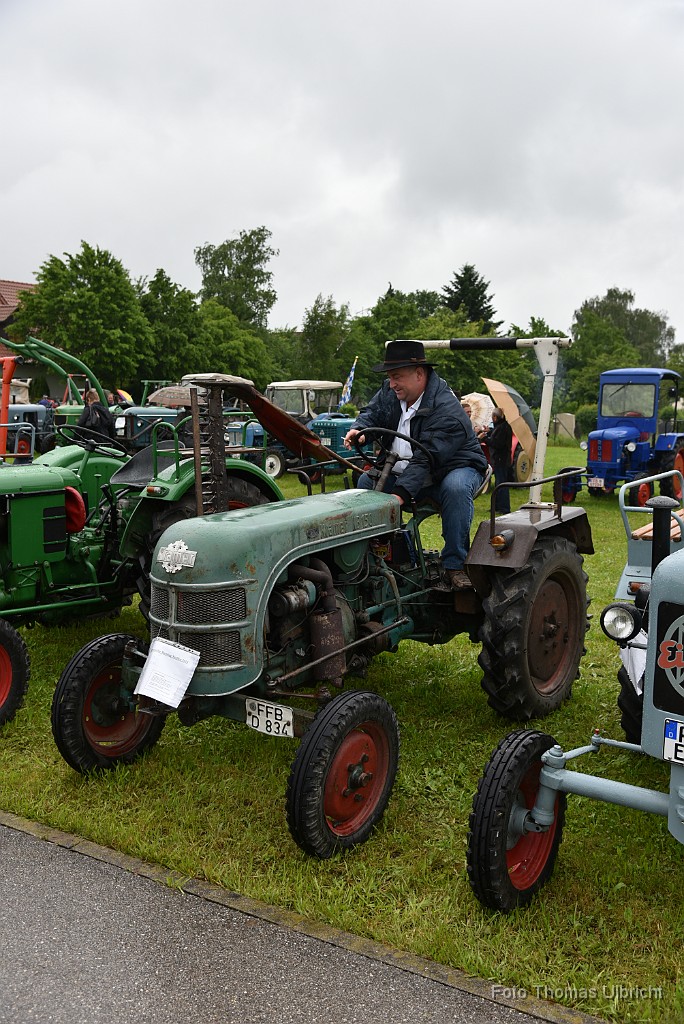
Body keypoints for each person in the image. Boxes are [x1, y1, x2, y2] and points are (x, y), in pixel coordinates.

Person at [343, 340, 487, 590]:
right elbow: (372, 412)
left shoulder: (447, 409)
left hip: (451, 467)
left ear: (419, 374)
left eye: (397, 376)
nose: (392, 383)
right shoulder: (391, 391)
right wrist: (360, 429)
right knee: (366, 484)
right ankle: (375, 556)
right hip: (407, 468)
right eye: (389, 377)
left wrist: (399, 495)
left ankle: (455, 565)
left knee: (455, 488)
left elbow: (427, 457)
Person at [481, 407, 513, 514]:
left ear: (495, 417)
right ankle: (497, 506)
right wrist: (489, 432)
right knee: (499, 484)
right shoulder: (502, 426)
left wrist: (484, 439)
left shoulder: (502, 428)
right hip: (501, 459)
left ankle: (504, 508)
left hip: (501, 460)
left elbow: (496, 443)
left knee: (502, 484)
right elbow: (496, 435)